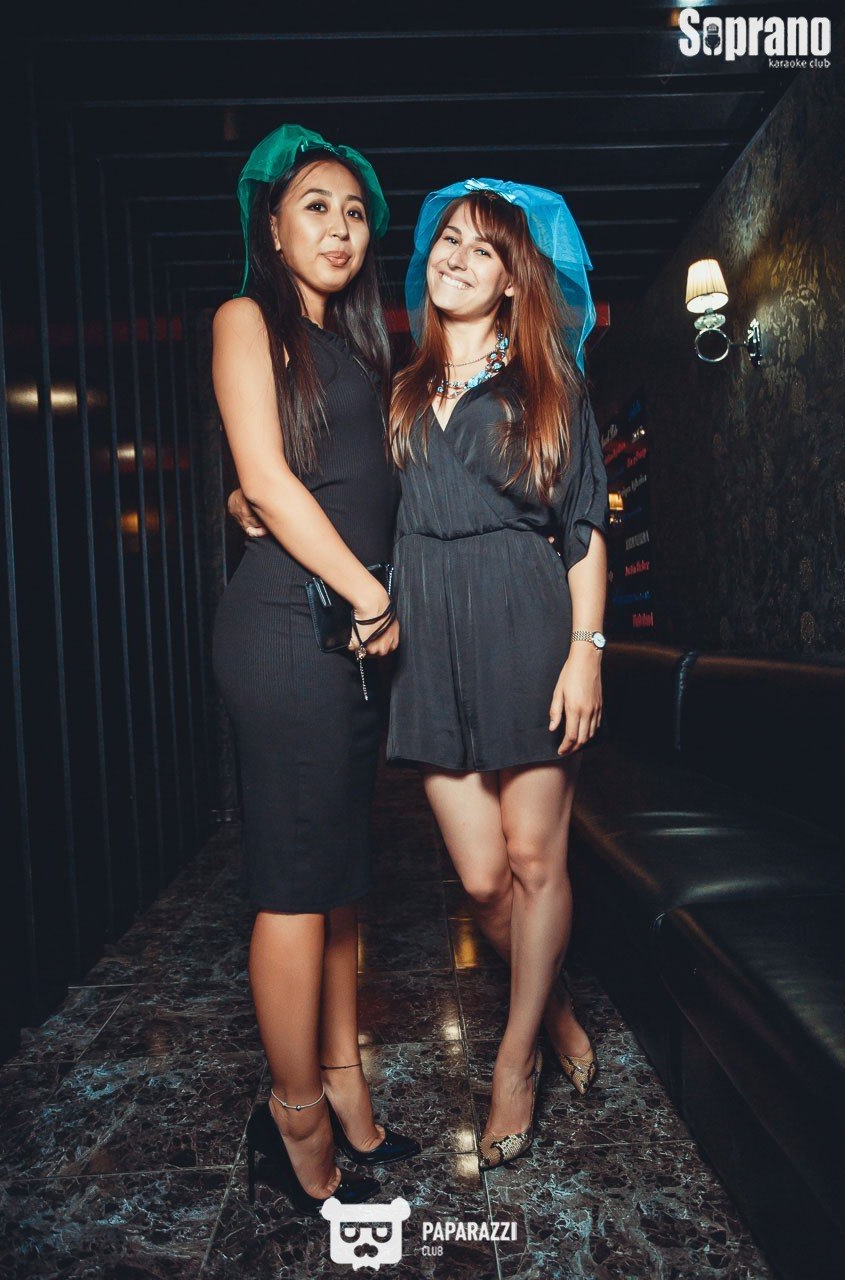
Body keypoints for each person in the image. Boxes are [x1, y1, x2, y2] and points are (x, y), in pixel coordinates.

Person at [211, 123, 419, 1217]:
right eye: (315, 207)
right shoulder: (246, 319)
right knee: (296, 887)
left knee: (338, 879)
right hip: (292, 630)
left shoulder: (363, 352)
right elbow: (266, 477)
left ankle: (342, 1080)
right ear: (273, 226)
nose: (339, 227)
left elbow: (335, 479)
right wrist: (369, 594)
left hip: (347, 637)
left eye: (353, 211)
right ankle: (291, 1116)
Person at [386, 178, 610, 1169]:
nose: (457, 257)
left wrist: (584, 653)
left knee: (533, 859)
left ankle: (515, 1060)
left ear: (513, 281)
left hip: (527, 625)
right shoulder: (400, 389)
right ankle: (552, 1003)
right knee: (482, 880)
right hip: (428, 644)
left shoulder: (549, 387)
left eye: (483, 248)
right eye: (447, 239)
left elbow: (584, 529)